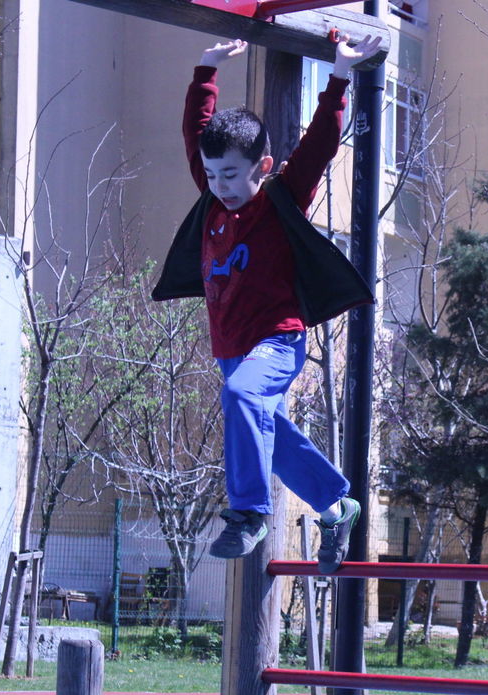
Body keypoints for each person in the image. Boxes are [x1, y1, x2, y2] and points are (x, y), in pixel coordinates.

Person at [171, 35, 381, 568]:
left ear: (261, 166)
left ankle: (248, 515)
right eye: (213, 175)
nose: (221, 186)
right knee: (276, 436)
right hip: (230, 348)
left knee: (243, 399)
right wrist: (206, 69)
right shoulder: (213, 194)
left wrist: (339, 76)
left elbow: (319, 144)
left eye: (232, 175)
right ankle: (337, 506)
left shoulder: (280, 198)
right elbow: (196, 131)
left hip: (277, 340)